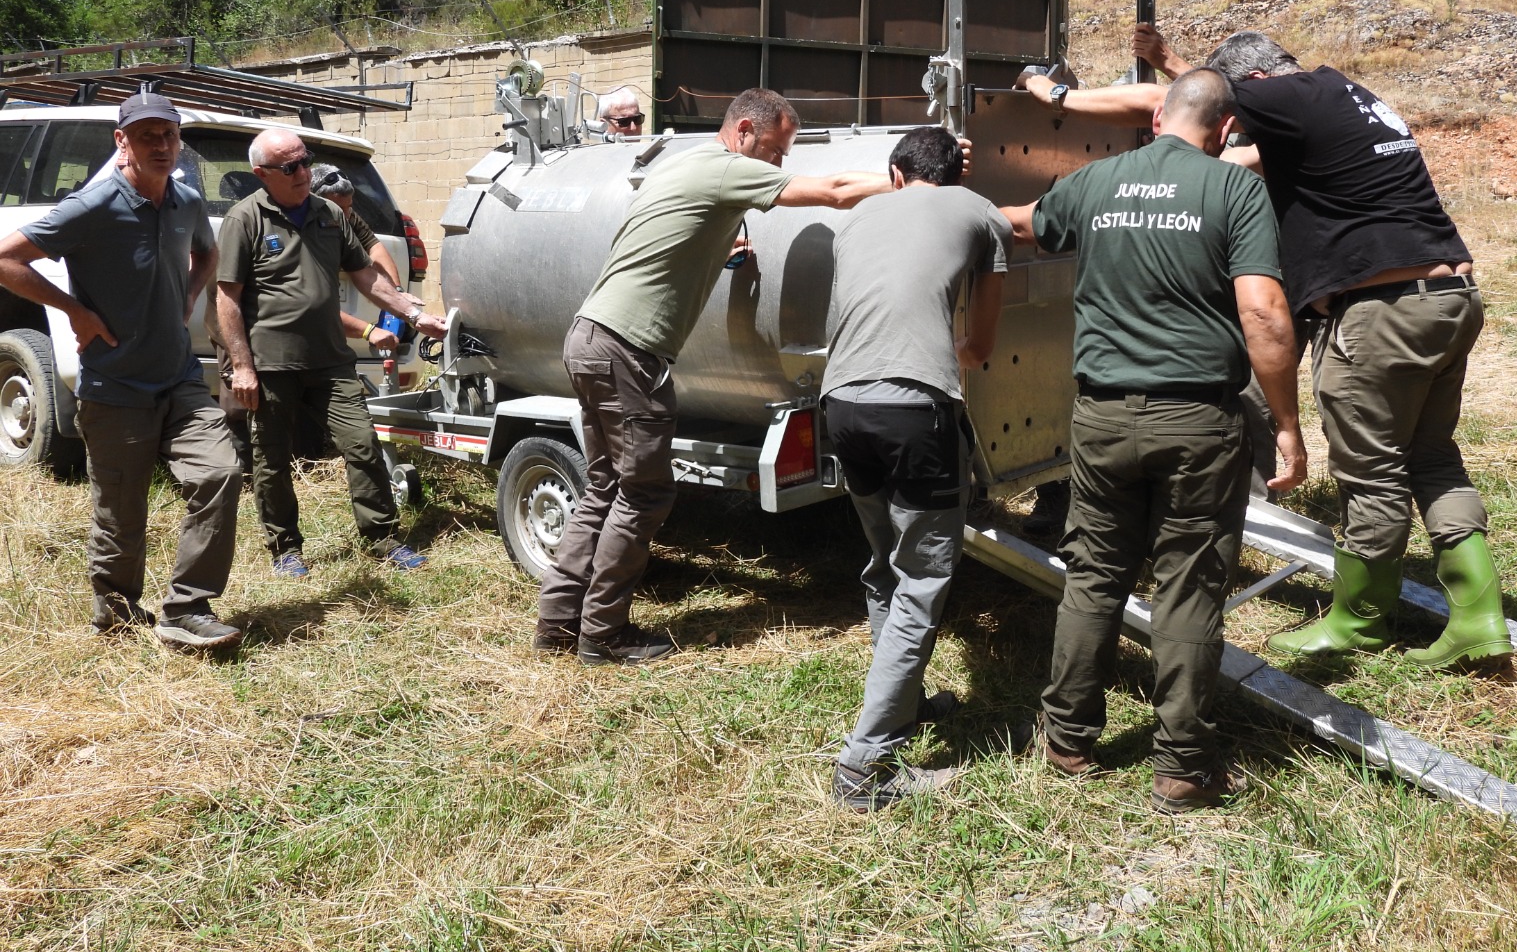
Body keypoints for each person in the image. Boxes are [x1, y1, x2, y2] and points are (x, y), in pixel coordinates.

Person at [1045, 25, 1513, 670]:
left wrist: (1057, 98)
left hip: (1383, 312)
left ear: (1257, 85)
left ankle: (1360, 619)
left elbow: (1183, 104)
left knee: (1371, 470)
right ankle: (1481, 615)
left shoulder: (1288, 94)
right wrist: (1173, 70)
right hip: (1450, 295)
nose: (1233, 131)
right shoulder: (1341, 96)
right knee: (1431, 456)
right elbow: (1213, 115)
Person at [1002, 69, 1307, 812]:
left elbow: (1024, 224)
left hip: (1101, 418)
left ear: (1158, 116)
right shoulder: (1234, 190)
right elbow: (1264, 314)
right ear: (1227, 130)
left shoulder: (1098, 179)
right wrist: (1291, 426)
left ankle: (1068, 738)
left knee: (1096, 572)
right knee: (1189, 583)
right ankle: (1181, 767)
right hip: (1197, 420)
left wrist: (927, 202)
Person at [536, 88, 894, 666]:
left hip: (591, 336)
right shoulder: (730, 169)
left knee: (605, 486)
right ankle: (602, 634)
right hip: (630, 352)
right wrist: (905, 181)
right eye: (776, 152)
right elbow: (832, 192)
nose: (779, 166)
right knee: (644, 492)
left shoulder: (687, 164)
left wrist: (718, 250)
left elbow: (655, 240)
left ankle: (557, 622)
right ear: (745, 132)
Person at [0, 92, 244, 650]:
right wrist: (76, 312)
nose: (161, 145)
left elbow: (206, 252)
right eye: (147, 136)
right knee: (121, 506)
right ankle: (115, 608)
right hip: (114, 385)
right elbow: (6, 259)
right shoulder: (92, 206)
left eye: (169, 135)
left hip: (179, 375)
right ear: (122, 142)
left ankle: (187, 609)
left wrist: (188, 294)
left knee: (219, 474)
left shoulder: (184, 200)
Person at [822, 126, 1011, 812]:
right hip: (914, 414)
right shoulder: (980, 213)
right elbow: (980, 346)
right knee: (925, 578)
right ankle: (863, 766)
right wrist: (953, 345)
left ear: (896, 174)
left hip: (840, 404)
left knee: (884, 563)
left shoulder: (860, 215)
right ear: (954, 176)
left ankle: (903, 707)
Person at [213, 128, 447, 578]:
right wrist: (242, 365)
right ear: (262, 174)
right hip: (271, 362)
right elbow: (227, 298)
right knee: (272, 460)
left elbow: (369, 278)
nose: (303, 172)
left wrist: (415, 314)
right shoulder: (246, 219)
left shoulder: (328, 214)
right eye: (290, 167)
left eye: (305, 160)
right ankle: (285, 549)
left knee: (361, 444)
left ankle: (381, 537)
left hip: (330, 358)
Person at [309, 162, 420, 358]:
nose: (344, 214)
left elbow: (375, 249)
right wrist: (369, 331)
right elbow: (316, 309)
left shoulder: (348, 217)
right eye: (337, 208)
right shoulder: (302, 229)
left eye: (349, 207)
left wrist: (397, 293)